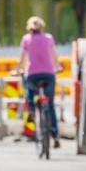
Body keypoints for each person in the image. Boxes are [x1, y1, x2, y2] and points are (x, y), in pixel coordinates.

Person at [18, 16, 63, 147]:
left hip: (32, 74)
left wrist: (18, 70)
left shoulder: (26, 39)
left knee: (29, 89)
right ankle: (55, 135)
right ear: (42, 26)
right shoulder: (49, 38)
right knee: (50, 104)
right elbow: (54, 56)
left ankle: (31, 110)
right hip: (49, 74)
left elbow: (22, 59)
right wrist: (58, 68)